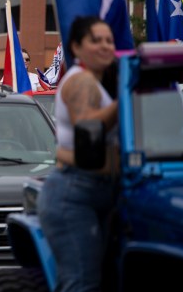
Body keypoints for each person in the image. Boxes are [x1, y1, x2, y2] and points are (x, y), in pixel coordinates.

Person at [37, 16, 120, 292]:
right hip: (76, 192)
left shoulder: (96, 82)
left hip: (97, 189)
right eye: (96, 40)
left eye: (109, 40)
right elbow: (89, 127)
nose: (105, 46)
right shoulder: (82, 81)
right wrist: (124, 101)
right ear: (76, 47)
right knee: (81, 283)